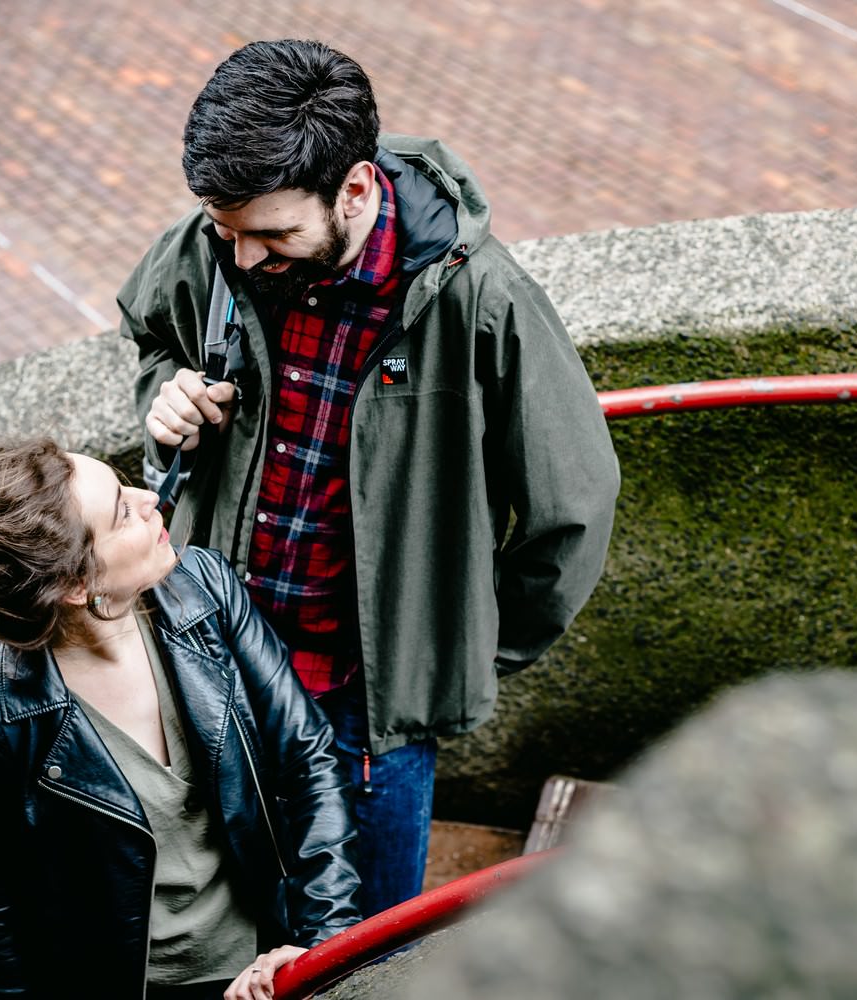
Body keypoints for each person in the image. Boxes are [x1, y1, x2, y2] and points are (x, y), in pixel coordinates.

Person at [118, 39, 619, 917]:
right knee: (224, 908)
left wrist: (454, 652)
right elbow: (150, 331)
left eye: (273, 234)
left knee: (366, 937)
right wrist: (166, 401)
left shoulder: (482, 300)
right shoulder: (218, 241)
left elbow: (572, 506)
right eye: (227, 230)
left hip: (366, 703)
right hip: (207, 654)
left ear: (354, 189)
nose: (241, 258)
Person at [0, 436, 359, 1000]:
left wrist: (318, 941)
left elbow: (308, 758)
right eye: (124, 511)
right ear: (79, 585)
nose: (150, 497)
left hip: (266, 954)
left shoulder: (207, 592)